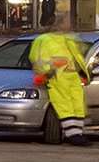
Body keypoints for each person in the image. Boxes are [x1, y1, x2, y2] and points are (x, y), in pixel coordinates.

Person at [25, 17, 91, 148]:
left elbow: (78, 55)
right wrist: (47, 71)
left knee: (78, 105)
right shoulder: (44, 40)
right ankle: (73, 135)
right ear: (59, 24)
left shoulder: (68, 39)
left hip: (72, 76)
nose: (71, 24)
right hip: (57, 76)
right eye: (68, 22)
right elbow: (37, 59)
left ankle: (77, 133)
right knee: (64, 104)